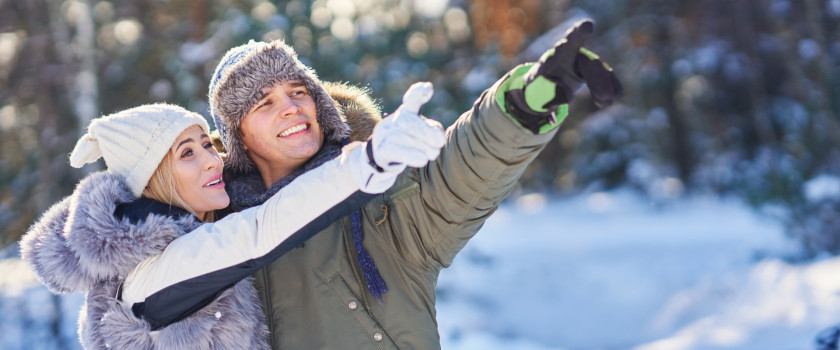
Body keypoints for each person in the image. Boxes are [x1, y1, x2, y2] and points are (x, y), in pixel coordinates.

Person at [207, 19, 622, 348]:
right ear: (237, 136)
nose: (292, 108)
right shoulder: (211, 231)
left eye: (298, 91)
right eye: (265, 103)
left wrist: (524, 103)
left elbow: (461, 173)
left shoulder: (376, 198)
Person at [19, 99, 444, 349]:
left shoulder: (174, 246)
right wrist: (364, 165)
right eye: (187, 154)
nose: (212, 159)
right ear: (153, 179)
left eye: (207, 144)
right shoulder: (154, 275)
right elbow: (260, 231)